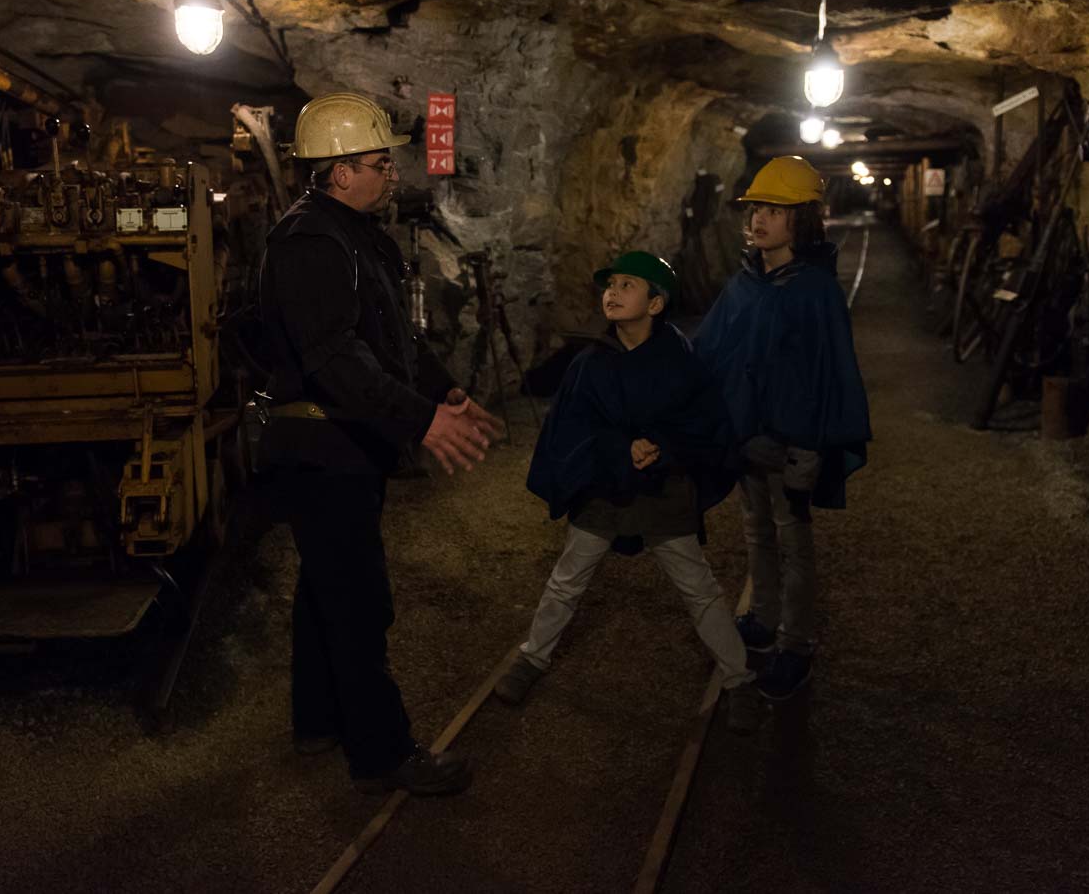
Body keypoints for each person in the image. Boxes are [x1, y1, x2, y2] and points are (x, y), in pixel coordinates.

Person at [256, 92, 503, 796]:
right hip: (320, 446)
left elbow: (393, 338)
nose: (391, 173)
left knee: (324, 587)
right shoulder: (309, 244)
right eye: (376, 163)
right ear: (336, 173)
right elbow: (336, 357)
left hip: (342, 444)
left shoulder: (356, 236)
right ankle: (382, 753)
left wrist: (443, 392)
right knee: (360, 600)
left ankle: (318, 721)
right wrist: (418, 421)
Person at [493, 251, 761, 735]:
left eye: (627, 285)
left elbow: (705, 426)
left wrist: (661, 447)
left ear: (656, 304)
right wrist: (621, 447)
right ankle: (532, 659)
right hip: (606, 485)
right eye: (610, 284)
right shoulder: (591, 363)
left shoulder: (681, 362)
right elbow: (572, 426)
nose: (612, 293)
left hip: (663, 488)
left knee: (698, 588)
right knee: (568, 577)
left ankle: (739, 677)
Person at [692, 156, 871, 700]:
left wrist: (811, 448)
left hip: (790, 444)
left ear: (804, 219)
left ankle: (796, 644)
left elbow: (827, 374)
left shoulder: (814, 291)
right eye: (757, 209)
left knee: (794, 540)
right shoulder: (745, 283)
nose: (760, 220)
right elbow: (713, 351)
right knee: (756, 531)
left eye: (775, 210)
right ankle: (763, 621)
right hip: (747, 438)